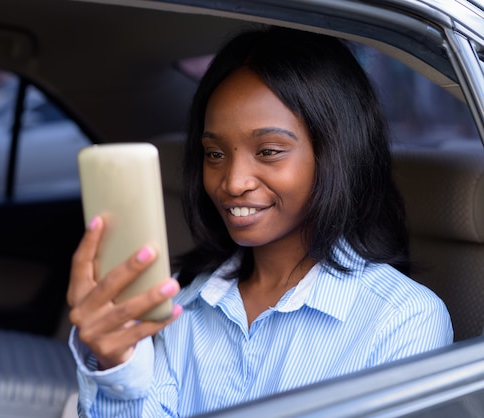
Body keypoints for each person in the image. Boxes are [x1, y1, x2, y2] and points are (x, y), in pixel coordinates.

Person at [67, 25, 454, 417]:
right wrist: (116, 362)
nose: (233, 182)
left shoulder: (404, 320)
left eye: (268, 151)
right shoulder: (185, 305)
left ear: (336, 153)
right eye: (215, 154)